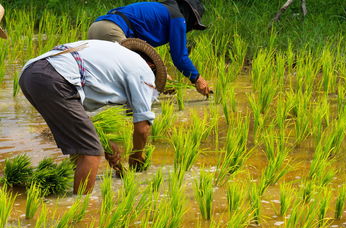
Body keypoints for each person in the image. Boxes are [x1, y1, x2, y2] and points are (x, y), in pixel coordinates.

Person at [19, 39, 167, 194]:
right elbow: (142, 128)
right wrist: (137, 158)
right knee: (91, 152)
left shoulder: (113, 56)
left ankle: (74, 192)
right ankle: (81, 208)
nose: (151, 88)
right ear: (151, 66)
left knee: (80, 146)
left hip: (30, 74)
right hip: (56, 78)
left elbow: (81, 118)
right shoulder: (143, 70)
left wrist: (104, 142)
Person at [88, 0, 212, 97]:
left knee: (109, 81)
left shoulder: (160, 11)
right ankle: (134, 120)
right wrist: (197, 79)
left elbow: (141, 51)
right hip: (112, 31)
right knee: (136, 81)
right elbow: (179, 57)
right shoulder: (178, 18)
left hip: (96, 27)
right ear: (190, 15)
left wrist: (161, 77)